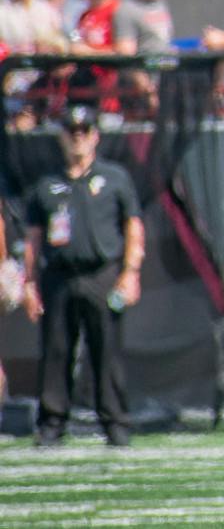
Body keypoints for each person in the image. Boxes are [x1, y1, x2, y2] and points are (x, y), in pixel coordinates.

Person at [21, 103, 144, 447]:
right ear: (62, 136)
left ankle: (115, 423)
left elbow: (133, 226)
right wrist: (29, 282)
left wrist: (131, 271)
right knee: (56, 352)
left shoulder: (114, 178)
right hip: (58, 274)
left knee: (106, 352)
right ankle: (51, 425)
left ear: (95, 136)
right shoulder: (47, 185)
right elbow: (33, 238)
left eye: (84, 131)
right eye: (72, 132)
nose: (78, 139)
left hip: (101, 273)